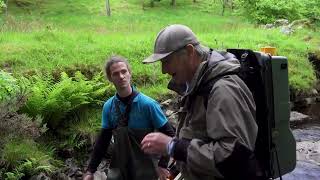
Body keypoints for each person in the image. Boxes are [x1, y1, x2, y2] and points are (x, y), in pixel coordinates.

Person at [141, 24, 265, 180]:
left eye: (166, 60)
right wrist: (175, 169)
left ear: (190, 51)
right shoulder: (196, 86)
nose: (163, 70)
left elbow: (235, 158)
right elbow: (197, 138)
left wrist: (172, 146)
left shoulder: (223, 90)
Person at [83, 55, 175, 180]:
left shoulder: (148, 105)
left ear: (130, 73)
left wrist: (163, 165)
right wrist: (90, 171)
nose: (121, 76)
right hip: (120, 169)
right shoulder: (108, 107)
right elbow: (103, 141)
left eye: (124, 71)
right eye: (115, 74)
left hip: (146, 169)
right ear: (110, 78)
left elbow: (170, 134)